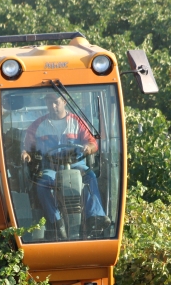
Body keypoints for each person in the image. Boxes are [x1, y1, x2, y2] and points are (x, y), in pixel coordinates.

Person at [21, 92, 110, 239]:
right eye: (49, 102)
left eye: (55, 102)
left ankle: (94, 217)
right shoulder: (38, 125)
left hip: (76, 165)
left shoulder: (77, 122)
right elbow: (27, 146)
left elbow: (93, 143)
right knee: (42, 184)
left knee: (90, 176)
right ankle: (56, 221)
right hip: (51, 168)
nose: (52, 106)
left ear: (64, 102)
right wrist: (26, 153)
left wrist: (88, 148)